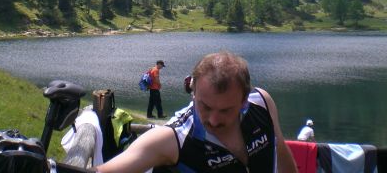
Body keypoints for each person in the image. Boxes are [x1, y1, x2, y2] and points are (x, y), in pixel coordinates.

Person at [97, 51, 298, 172]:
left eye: (226, 110)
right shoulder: (174, 138)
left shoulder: (262, 102)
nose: (214, 120)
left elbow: (281, 156)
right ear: (193, 93)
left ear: (244, 100)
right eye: (205, 106)